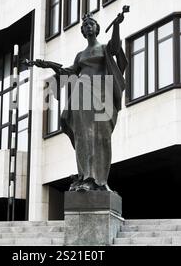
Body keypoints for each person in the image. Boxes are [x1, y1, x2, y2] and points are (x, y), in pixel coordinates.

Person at [27, 11, 127, 192]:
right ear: (83, 31)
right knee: (83, 136)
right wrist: (49, 65)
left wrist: (117, 25)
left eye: (91, 25)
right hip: (82, 94)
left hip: (102, 94)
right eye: (85, 26)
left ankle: (100, 179)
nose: (88, 27)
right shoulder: (80, 55)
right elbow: (69, 73)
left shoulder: (104, 48)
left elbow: (114, 47)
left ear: (97, 29)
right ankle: (85, 176)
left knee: (102, 136)